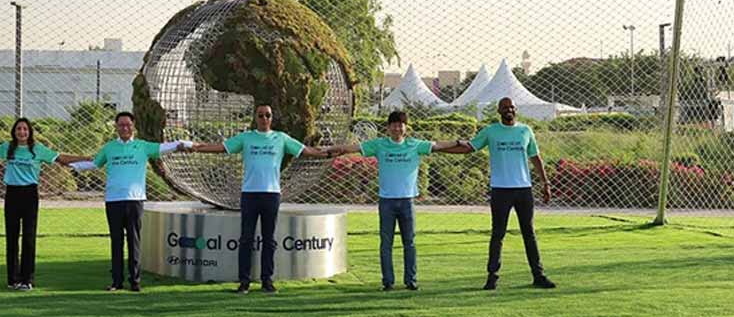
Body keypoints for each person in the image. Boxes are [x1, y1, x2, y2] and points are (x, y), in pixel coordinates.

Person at [187, 103, 333, 295]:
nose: (264, 119)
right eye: (261, 115)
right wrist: (195, 147)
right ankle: (244, 282)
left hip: (271, 195)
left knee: (268, 240)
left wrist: (332, 151)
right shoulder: (246, 138)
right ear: (256, 118)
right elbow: (221, 148)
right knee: (246, 239)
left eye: (268, 115)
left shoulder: (280, 138)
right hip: (249, 194)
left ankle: (267, 281)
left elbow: (307, 151)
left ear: (272, 118)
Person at [327, 111, 471, 291]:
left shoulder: (414, 145)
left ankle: (411, 280)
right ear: (388, 128)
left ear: (406, 127)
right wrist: (334, 149)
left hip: (407, 202)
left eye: (400, 124)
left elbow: (438, 145)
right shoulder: (379, 145)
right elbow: (355, 148)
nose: (397, 128)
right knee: (385, 243)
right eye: (394, 124)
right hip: (386, 202)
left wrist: (458, 143)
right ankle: (388, 282)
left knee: (409, 242)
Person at [67, 111, 191, 292]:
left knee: (134, 241)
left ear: (133, 126)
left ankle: (135, 281)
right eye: (121, 125)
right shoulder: (109, 148)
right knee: (116, 241)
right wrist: (72, 165)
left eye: (128, 124)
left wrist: (181, 144)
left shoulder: (142, 146)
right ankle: (117, 282)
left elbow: (163, 147)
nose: (125, 128)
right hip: (113, 200)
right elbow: (94, 163)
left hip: (135, 200)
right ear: (116, 127)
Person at [0, 117, 89, 291]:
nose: (22, 132)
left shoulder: (37, 149)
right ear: (14, 132)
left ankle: (27, 279)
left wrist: (86, 158)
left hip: (30, 195)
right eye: (19, 129)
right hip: (12, 194)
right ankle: (13, 279)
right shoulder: (7, 148)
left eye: (25, 129)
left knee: (28, 237)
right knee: (12, 237)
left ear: (29, 132)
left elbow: (61, 158)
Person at [460, 97, 556, 291]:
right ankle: (492, 277)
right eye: (505, 107)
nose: (509, 110)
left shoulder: (525, 131)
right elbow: (470, 147)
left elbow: (535, 157)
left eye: (511, 107)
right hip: (500, 189)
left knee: (529, 232)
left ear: (516, 110)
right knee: (498, 234)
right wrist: (440, 148)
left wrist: (545, 183)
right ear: (499, 111)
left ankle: (538, 275)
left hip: (523, 189)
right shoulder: (490, 131)